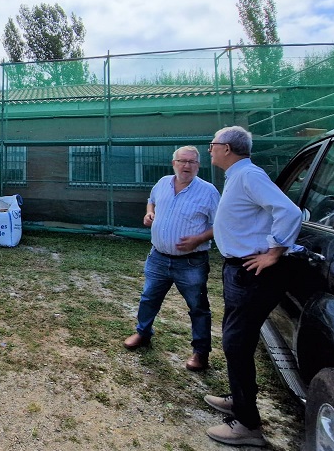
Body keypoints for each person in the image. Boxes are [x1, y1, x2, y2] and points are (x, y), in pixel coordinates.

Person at [204, 126, 302, 447]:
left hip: (251, 272)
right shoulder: (237, 176)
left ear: (228, 148)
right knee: (236, 340)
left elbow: (288, 211)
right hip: (239, 269)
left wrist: (275, 251)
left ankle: (247, 425)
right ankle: (240, 398)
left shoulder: (249, 176)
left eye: (213, 144)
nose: (210, 149)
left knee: (237, 343)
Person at [123, 145, 220, 372]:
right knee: (149, 298)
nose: (186, 166)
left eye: (192, 162)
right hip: (158, 257)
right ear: (173, 163)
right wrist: (149, 212)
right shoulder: (163, 183)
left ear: (198, 165)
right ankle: (143, 333)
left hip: (191, 262)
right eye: (182, 161)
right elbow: (152, 200)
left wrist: (198, 239)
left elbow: (220, 225)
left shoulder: (208, 192)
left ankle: (200, 352)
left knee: (198, 307)